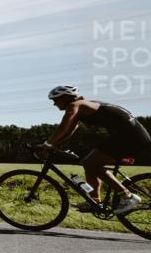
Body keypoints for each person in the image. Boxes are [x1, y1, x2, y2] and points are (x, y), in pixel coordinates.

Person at [43, 85, 151, 214]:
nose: (54, 104)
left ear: (65, 98)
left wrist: (47, 144)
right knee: (88, 162)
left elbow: (63, 127)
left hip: (129, 137)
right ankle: (94, 200)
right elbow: (69, 131)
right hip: (129, 135)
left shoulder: (75, 105)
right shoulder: (83, 106)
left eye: (55, 100)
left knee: (91, 163)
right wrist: (54, 145)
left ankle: (127, 196)